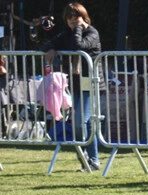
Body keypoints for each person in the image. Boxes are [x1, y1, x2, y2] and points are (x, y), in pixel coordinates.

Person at [43, 2, 105, 171]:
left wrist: (79, 28)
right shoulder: (66, 34)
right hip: (76, 85)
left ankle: (86, 157)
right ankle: (92, 161)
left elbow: (79, 46)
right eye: (69, 16)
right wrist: (52, 49)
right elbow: (47, 44)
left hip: (92, 85)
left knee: (80, 123)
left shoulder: (92, 33)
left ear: (83, 17)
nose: (72, 19)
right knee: (86, 124)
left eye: (75, 16)